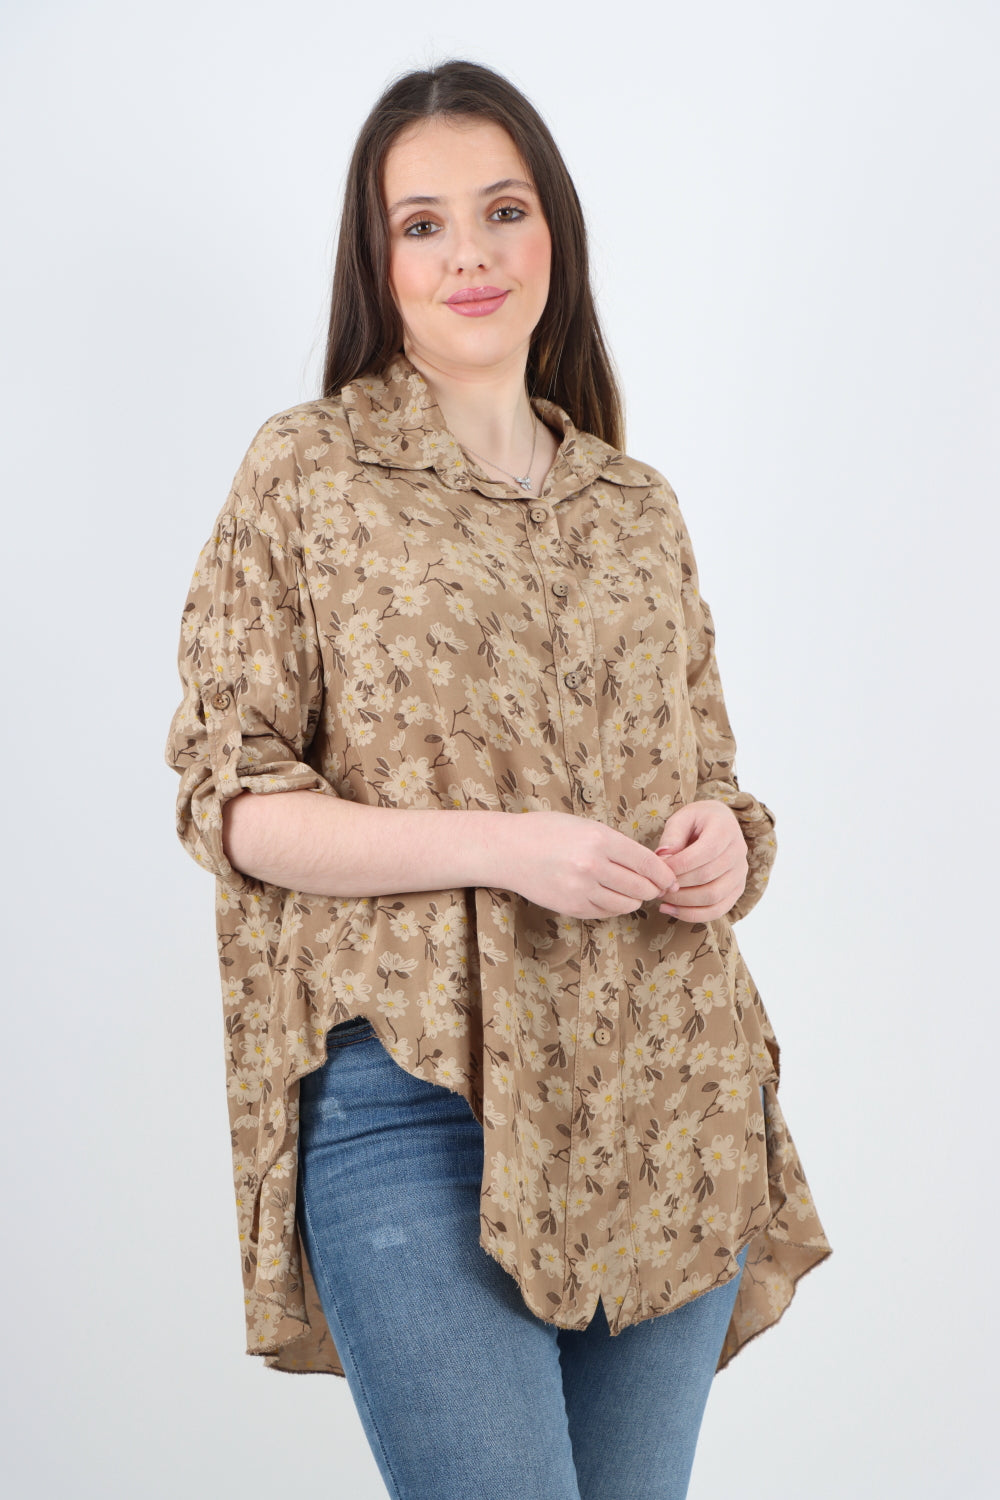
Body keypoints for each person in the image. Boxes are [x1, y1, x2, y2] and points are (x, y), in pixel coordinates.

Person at [165, 58, 831, 1500]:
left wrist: (724, 841)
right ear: (378, 262)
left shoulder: (636, 508)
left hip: (664, 1094)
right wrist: (504, 846)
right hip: (415, 1093)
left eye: (503, 210)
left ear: (554, 234)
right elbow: (233, 804)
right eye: (422, 224)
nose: (469, 252)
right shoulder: (308, 473)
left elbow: (718, 780)